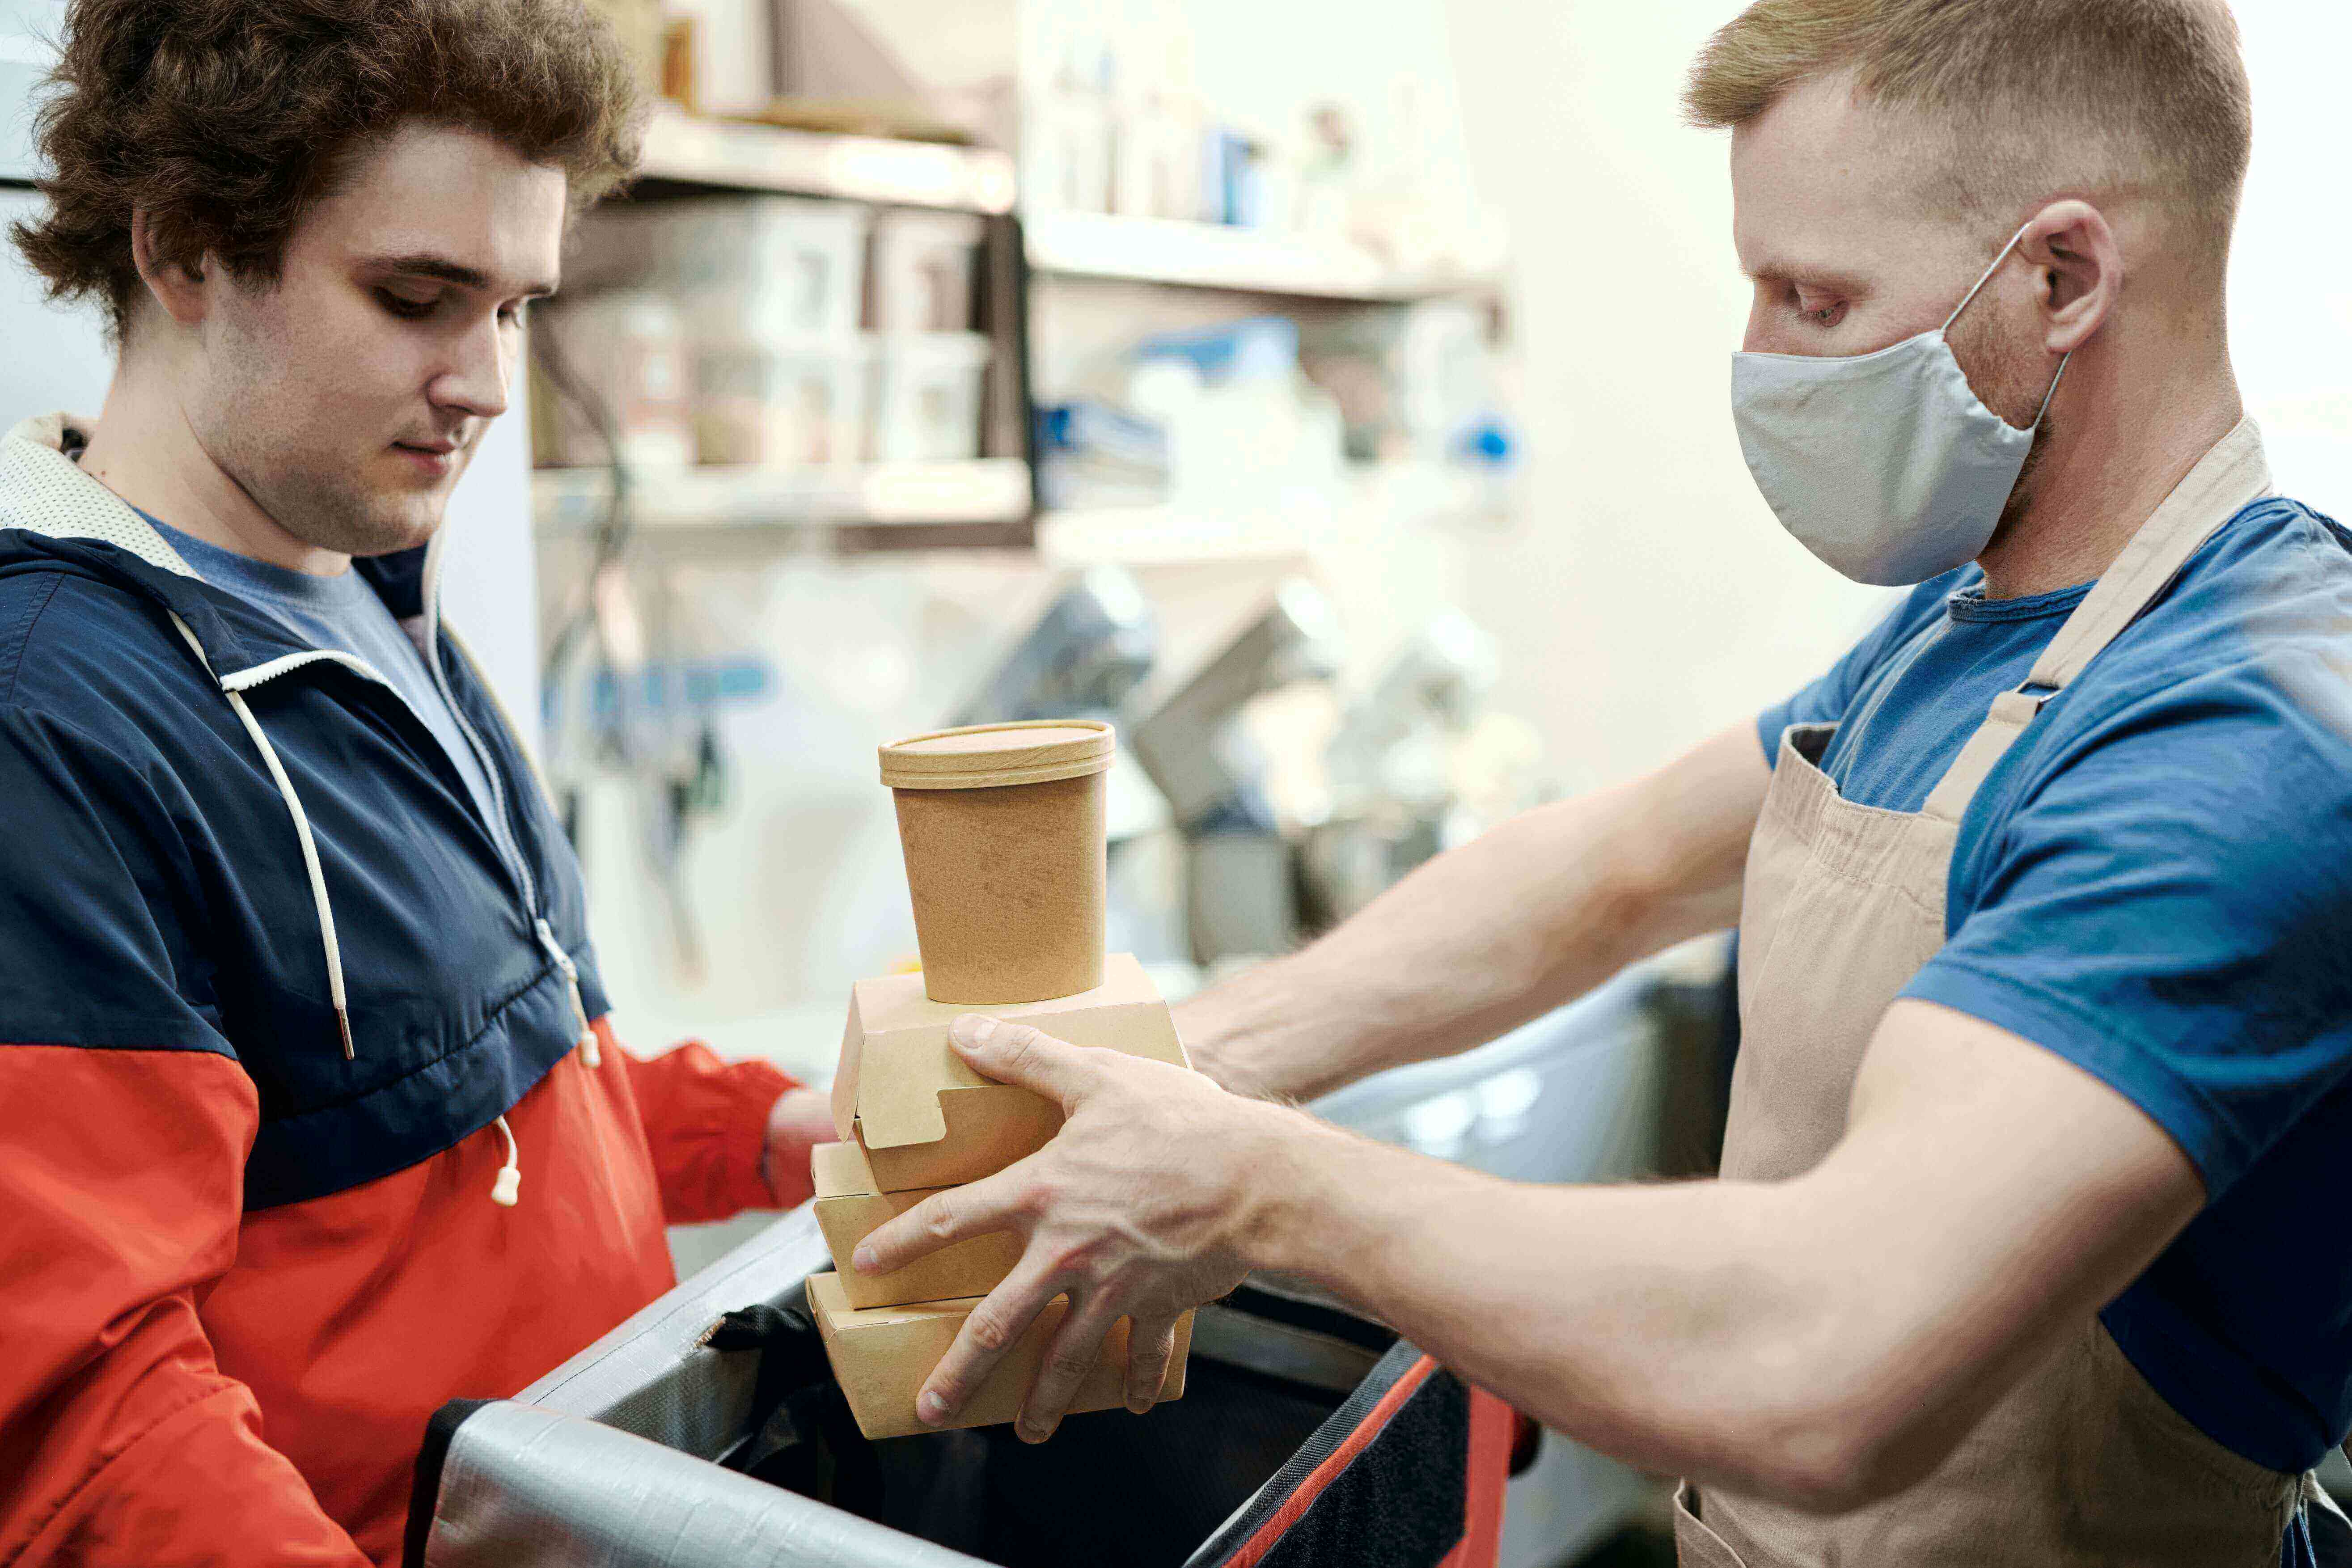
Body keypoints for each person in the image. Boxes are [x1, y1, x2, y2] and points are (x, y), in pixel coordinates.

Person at [857, 2, 2352, 1563]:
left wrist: (1252, 1189)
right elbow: (1610, 873)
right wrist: (1164, 1067)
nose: (1759, 361)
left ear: (2060, 278)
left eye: (1815, 297)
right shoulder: (1959, 632)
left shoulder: (2242, 729)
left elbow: (1827, 1356)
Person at [0, 3, 836, 1563]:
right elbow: (84, 1416)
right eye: (416, 298)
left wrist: (785, 1127)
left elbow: (496, 1114)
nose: (488, 383)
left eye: (514, 308)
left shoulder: (367, 601)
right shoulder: (48, 714)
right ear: (185, 250)